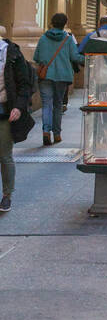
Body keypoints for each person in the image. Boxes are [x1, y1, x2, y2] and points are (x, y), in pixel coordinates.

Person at [32, 14, 82, 146]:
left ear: (52, 23)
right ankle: (57, 134)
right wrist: (87, 58)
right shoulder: (68, 39)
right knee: (58, 105)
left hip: (46, 75)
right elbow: (75, 57)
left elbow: (36, 57)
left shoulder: (43, 38)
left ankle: (46, 132)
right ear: (65, 24)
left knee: (47, 104)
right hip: (62, 76)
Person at [0, 24, 33, 212]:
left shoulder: (11, 53)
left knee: (4, 155)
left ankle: (6, 195)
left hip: (4, 110)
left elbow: (24, 84)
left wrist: (19, 107)